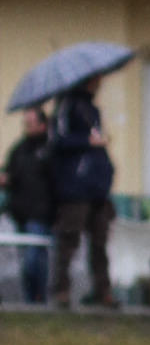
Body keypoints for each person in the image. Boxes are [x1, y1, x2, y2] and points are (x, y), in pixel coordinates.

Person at [50, 75, 115, 309]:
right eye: (95, 79)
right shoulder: (65, 108)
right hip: (75, 189)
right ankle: (61, 290)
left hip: (97, 188)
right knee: (69, 239)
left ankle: (102, 291)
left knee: (100, 242)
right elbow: (58, 141)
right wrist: (87, 141)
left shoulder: (93, 111)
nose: (99, 83)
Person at [2, 106, 54, 304]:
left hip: (40, 214)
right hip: (20, 214)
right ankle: (31, 302)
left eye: (31, 123)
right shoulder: (19, 149)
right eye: (26, 123)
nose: (27, 127)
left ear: (42, 125)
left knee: (34, 261)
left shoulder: (50, 150)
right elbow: (11, 173)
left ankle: (39, 300)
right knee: (26, 261)